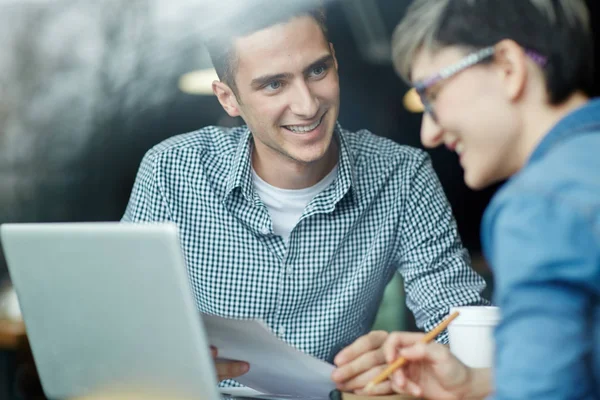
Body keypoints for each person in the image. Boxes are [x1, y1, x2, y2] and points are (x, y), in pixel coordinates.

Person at [122, 3, 488, 386]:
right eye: (274, 84)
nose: (307, 105)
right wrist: (167, 360)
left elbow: (458, 324)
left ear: (335, 62)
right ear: (228, 98)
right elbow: (123, 318)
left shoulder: (401, 176)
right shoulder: (172, 170)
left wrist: (408, 361)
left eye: (317, 71)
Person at [331, 0, 599, 399]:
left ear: (508, 66)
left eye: (431, 93)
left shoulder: (538, 206)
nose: (428, 133)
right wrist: (475, 386)